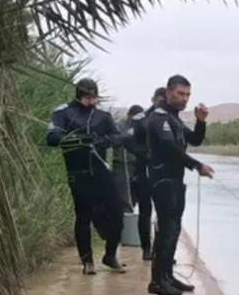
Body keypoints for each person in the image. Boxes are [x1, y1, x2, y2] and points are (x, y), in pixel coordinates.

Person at [46, 78, 128, 275]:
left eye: (93, 97)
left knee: (117, 213)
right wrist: (76, 139)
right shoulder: (64, 113)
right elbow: (52, 138)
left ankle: (110, 255)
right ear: (78, 94)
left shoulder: (103, 116)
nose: (91, 101)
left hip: (101, 171)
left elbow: (118, 137)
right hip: (78, 172)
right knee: (83, 216)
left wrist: (103, 140)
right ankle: (87, 261)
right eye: (87, 97)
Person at [144, 74, 214, 295]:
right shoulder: (159, 118)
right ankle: (157, 281)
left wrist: (201, 121)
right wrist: (196, 165)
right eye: (180, 94)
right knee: (166, 230)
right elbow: (170, 149)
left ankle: (167, 276)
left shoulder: (174, 119)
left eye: (187, 95)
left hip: (175, 180)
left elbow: (194, 140)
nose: (184, 99)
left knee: (173, 229)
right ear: (168, 93)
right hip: (161, 180)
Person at [128, 87, 168, 261]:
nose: (162, 103)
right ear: (153, 100)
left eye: (164, 100)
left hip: (163, 172)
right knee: (145, 211)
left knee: (165, 214)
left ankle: (161, 250)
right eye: (159, 100)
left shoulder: (170, 118)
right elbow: (130, 143)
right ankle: (146, 248)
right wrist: (145, 154)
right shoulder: (142, 119)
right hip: (143, 171)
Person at [112, 105, 143, 213]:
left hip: (137, 166)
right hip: (121, 166)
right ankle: (125, 222)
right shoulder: (119, 126)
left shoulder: (142, 125)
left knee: (135, 196)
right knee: (123, 197)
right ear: (129, 115)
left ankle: (131, 214)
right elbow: (115, 139)